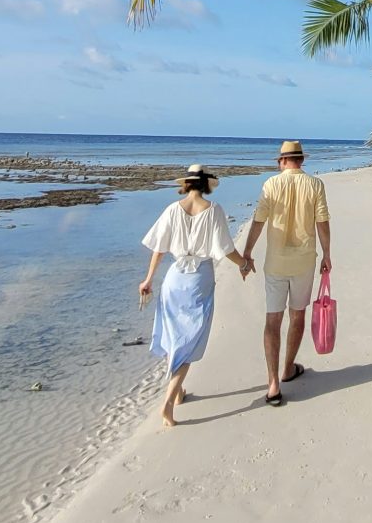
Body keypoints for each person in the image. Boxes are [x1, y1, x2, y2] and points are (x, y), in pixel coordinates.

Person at [139, 164, 253, 428]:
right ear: (205, 185)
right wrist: (244, 265)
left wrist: (148, 279)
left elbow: (159, 248)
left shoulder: (171, 209)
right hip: (199, 278)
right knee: (190, 338)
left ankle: (178, 392)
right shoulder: (214, 211)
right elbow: (226, 249)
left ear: (187, 184)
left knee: (174, 333)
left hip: (174, 277)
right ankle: (168, 401)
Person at [238, 140, 330, 407]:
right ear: (301, 160)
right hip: (303, 262)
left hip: (275, 263)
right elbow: (322, 221)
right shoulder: (315, 185)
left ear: (282, 161)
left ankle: (273, 384)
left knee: (272, 322)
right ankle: (288, 367)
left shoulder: (271, 185)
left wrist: (247, 252)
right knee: (297, 315)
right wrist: (327, 254)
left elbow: (258, 220)